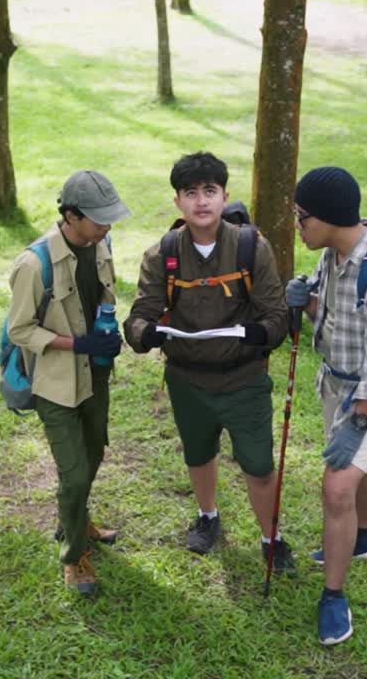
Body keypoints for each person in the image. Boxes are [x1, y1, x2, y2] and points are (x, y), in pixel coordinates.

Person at [124, 151, 295, 573]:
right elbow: (139, 315)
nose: (201, 201)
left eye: (210, 191)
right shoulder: (160, 254)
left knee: (258, 464)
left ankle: (271, 538)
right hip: (187, 380)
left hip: (244, 379)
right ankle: (208, 516)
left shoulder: (252, 247)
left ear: (224, 196)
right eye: (191, 193)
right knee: (198, 455)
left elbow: (276, 315)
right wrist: (145, 334)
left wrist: (262, 334)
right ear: (178, 202)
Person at [284, 166, 367, 645]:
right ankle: (366, 537)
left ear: (328, 219)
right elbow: (338, 321)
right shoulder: (335, 254)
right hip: (337, 384)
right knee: (363, 468)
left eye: (302, 217)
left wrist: (357, 422)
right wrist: (306, 304)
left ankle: (334, 597)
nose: (297, 225)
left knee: (337, 490)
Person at [7, 170, 131, 596]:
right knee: (74, 474)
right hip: (55, 384)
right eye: (99, 219)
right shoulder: (32, 263)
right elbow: (20, 330)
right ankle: (74, 556)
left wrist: (105, 339)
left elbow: (103, 299)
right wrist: (74, 342)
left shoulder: (101, 245)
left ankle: (76, 519)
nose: (107, 226)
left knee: (93, 453)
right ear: (71, 216)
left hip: (95, 374)